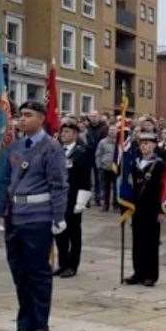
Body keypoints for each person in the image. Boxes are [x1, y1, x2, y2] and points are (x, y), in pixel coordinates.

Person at [0, 101, 68, 331]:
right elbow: (5, 183)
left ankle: (40, 326)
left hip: (38, 217)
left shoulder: (51, 147)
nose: (22, 119)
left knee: (38, 273)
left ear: (41, 118)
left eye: (28, 115)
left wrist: (59, 217)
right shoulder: (15, 147)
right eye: (20, 115)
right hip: (14, 217)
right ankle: (24, 324)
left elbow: (59, 184)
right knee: (19, 273)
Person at [124, 133, 166, 287]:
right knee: (137, 241)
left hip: (152, 208)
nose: (144, 146)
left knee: (151, 242)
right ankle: (138, 272)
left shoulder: (160, 164)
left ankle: (150, 275)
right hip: (137, 207)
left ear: (155, 145)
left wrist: (161, 210)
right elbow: (131, 186)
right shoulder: (135, 163)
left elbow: (163, 189)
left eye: (147, 143)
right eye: (141, 143)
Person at [54, 119, 91, 278]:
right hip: (58, 198)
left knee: (74, 234)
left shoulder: (82, 152)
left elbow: (85, 178)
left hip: (74, 197)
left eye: (67, 132)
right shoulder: (56, 150)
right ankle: (62, 263)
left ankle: (72, 265)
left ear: (75, 134)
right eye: (62, 132)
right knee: (59, 232)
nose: (63, 134)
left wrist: (81, 201)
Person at [86, 111, 107, 206]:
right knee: (87, 178)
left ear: (99, 117)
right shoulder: (87, 128)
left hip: (98, 155)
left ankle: (98, 198)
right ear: (89, 117)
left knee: (98, 178)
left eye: (95, 116)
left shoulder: (103, 128)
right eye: (92, 116)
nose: (93, 118)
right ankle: (86, 199)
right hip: (88, 155)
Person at [95, 126, 117, 212]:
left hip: (116, 168)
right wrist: (99, 165)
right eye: (111, 130)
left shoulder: (119, 142)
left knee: (116, 188)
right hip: (105, 167)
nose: (112, 131)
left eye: (114, 130)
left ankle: (115, 204)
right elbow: (98, 154)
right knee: (105, 187)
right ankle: (105, 204)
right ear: (108, 131)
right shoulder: (102, 142)